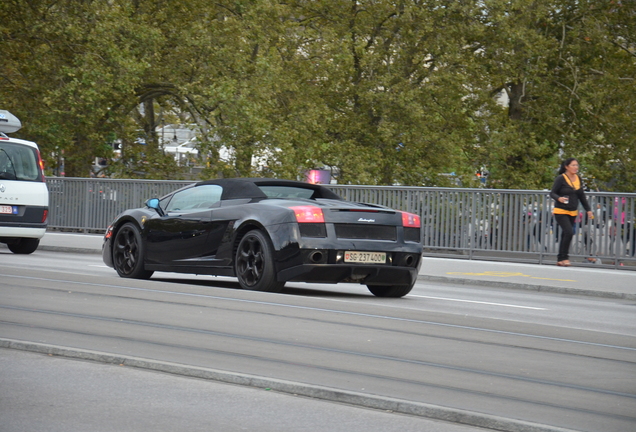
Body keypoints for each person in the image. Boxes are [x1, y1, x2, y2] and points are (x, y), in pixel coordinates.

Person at [550, 158, 594, 267]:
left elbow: (581, 196)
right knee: (569, 232)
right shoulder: (561, 178)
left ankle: (560, 259)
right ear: (567, 166)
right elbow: (552, 193)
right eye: (573, 165)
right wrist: (558, 198)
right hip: (560, 210)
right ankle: (565, 258)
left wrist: (588, 209)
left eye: (577, 165)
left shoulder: (578, 178)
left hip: (572, 211)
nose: (576, 167)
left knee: (565, 234)